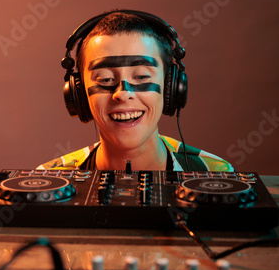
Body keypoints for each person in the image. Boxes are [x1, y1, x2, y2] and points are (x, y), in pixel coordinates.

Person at [37, 10, 233, 172]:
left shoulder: (216, 174)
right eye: (105, 79)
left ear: (171, 87)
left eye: (141, 76)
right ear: (78, 94)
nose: (123, 94)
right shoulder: (51, 180)